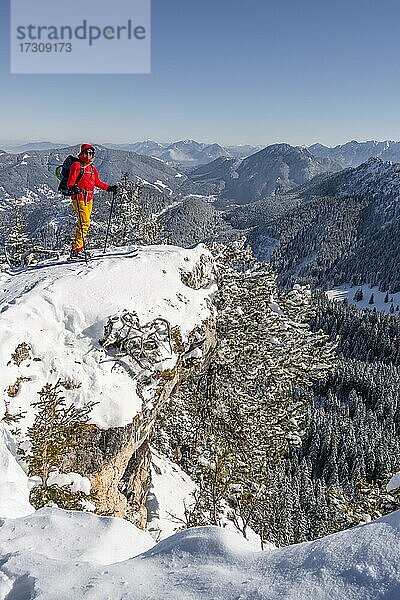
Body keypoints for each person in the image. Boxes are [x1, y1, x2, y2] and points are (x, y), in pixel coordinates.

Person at [67, 143, 118, 259]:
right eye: (87, 153)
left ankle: (78, 248)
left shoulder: (91, 168)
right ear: (82, 153)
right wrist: (74, 187)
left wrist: (109, 188)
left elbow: (96, 182)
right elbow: (70, 183)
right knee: (84, 223)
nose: (89, 155)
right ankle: (76, 250)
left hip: (89, 199)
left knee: (85, 223)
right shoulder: (76, 165)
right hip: (79, 198)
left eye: (91, 153)